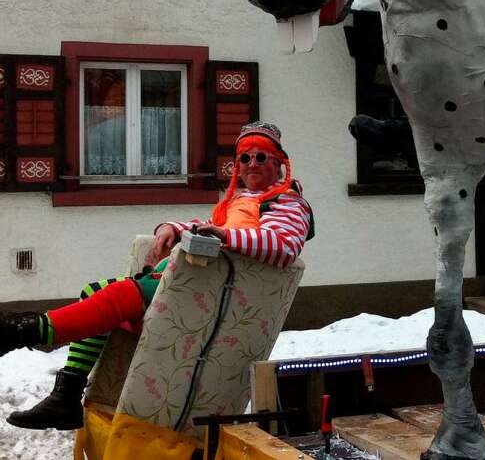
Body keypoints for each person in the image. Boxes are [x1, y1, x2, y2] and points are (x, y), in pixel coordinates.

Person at [0, 121, 312, 431]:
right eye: (245, 158)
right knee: (94, 291)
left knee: (119, 296)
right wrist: (173, 228)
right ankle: (66, 396)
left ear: (278, 164)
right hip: (194, 285)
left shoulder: (287, 202)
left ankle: (22, 331)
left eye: (261, 157)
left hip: (216, 299)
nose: (252, 163)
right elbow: (208, 226)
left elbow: (283, 246)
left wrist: (222, 234)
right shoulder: (239, 200)